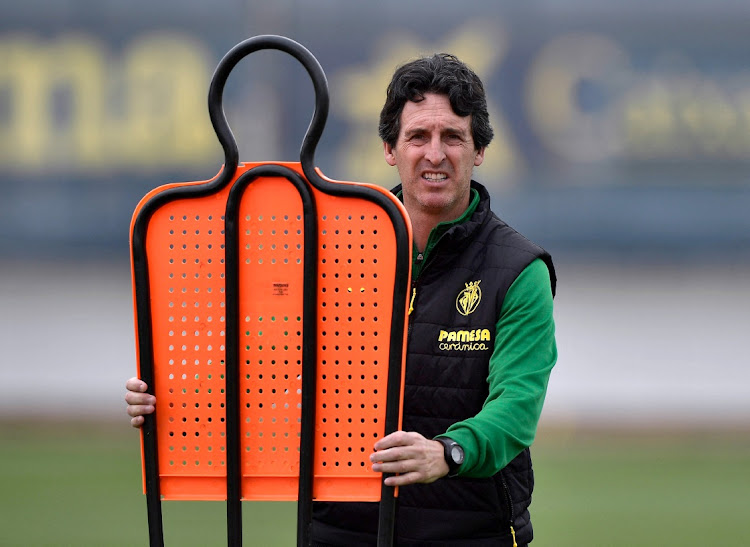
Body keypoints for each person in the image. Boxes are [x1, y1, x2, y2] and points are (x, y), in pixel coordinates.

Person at [126, 52, 556, 546]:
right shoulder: (335, 249)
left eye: (452, 137)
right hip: (341, 529)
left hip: (469, 532)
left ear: (479, 150)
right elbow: (267, 373)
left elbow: (517, 405)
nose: (435, 154)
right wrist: (175, 400)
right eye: (418, 136)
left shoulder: (519, 269)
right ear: (390, 149)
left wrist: (448, 452)